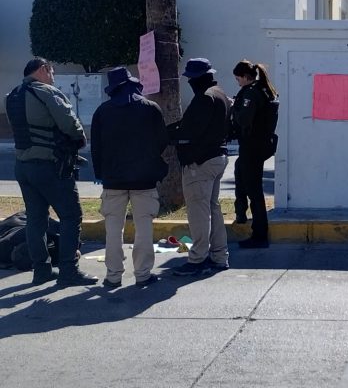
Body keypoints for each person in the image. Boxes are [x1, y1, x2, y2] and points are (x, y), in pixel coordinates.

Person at [4, 58, 97, 287]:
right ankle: (68, 270)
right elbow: (69, 124)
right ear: (43, 70)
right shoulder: (46, 92)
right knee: (70, 216)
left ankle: (42, 270)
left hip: (23, 167)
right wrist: (80, 140)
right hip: (50, 166)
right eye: (52, 71)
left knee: (36, 220)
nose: (53, 75)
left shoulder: (12, 96)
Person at [91, 67, 169, 288]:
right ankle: (142, 274)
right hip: (144, 179)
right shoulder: (150, 108)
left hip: (113, 180)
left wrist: (101, 174)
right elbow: (162, 141)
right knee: (144, 228)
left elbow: (96, 147)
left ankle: (113, 276)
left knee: (113, 230)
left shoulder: (102, 111)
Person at [168, 58, 232, 277]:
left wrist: (166, 135)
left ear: (196, 78)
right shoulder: (220, 94)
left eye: (190, 78)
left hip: (200, 162)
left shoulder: (205, 98)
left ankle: (198, 259)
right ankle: (219, 256)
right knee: (212, 208)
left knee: (199, 212)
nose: (189, 82)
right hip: (217, 157)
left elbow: (190, 131)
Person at [229, 60, 279, 249]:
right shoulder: (263, 89)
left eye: (237, 79)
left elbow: (244, 119)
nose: (237, 82)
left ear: (244, 77)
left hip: (252, 146)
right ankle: (241, 214)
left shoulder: (251, 93)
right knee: (240, 173)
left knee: (254, 190)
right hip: (258, 145)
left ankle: (259, 234)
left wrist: (234, 107)